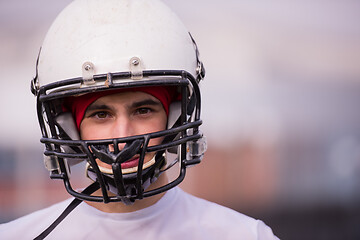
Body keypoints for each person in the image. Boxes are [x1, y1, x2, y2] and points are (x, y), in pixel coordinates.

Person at [0, 0, 279, 239]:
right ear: (71, 130)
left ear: (174, 118)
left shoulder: (243, 235)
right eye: (101, 114)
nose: (124, 135)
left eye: (143, 110)